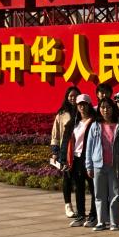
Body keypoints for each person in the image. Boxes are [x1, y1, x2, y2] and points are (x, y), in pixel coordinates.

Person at [85, 98, 119, 232]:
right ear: (99, 109)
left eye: (108, 107)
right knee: (99, 195)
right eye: (102, 107)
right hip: (98, 164)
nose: (105, 110)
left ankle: (114, 222)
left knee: (115, 195)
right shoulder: (95, 125)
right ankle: (101, 221)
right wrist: (89, 165)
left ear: (113, 108)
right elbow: (89, 147)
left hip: (115, 165)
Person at [63, 94, 96, 227]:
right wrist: (63, 159)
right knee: (79, 188)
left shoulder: (94, 121)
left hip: (89, 158)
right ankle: (81, 215)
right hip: (75, 159)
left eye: (85, 104)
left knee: (93, 188)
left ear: (89, 105)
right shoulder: (74, 122)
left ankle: (93, 216)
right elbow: (66, 141)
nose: (82, 107)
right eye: (80, 104)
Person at [51, 86, 79, 219]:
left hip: (80, 149)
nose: (73, 98)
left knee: (79, 179)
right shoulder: (62, 114)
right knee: (67, 178)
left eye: (75, 95)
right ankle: (68, 205)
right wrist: (55, 152)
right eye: (71, 96)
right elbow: (55, 134)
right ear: (67, 97)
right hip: (66, 149)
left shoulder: (83, 111)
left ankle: (81, 207)